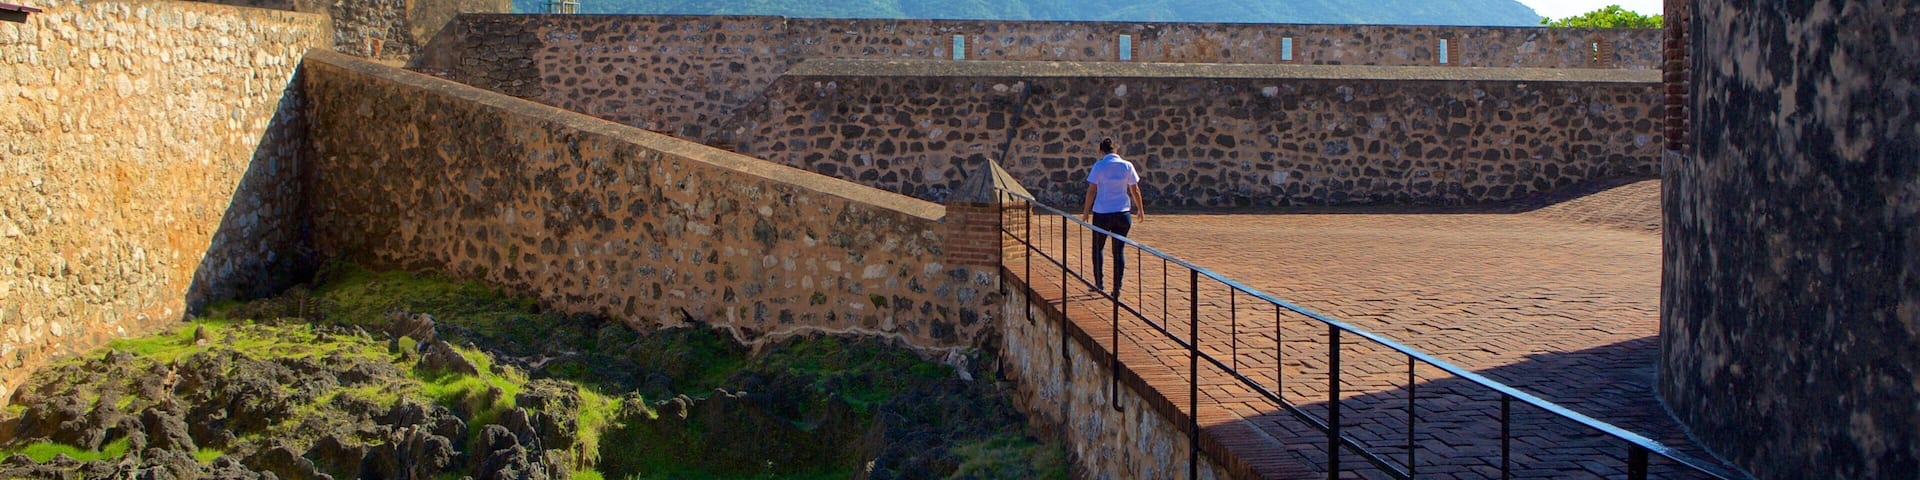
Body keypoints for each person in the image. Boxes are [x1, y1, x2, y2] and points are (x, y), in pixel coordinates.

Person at [1079, 137, 1145, 296]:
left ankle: (1099, 283)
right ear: (1117, 150)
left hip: (1102, 212)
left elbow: (1092, 190)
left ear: (1101, 151)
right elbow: (1134, 189)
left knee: (1097, 248)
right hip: (1122, 212)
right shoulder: (1127, 165)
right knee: (1118, 251)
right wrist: (1140, 209)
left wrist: (1086, 211)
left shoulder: (1099, 165)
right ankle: (1117, 288)